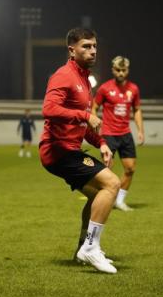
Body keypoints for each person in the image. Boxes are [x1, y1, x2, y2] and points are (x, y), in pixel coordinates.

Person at [39, 28, 120, 274]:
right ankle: (91, 248)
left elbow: (83, 125)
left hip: (69, 150)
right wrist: (84, 114)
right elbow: (48, 109)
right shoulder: (64, 75)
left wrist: (102, 143)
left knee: (99, 195)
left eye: (94, 46)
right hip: (58, 151)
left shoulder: (85, 80)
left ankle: (82, 249)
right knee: (112, 185)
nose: (92, 50)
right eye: (86, 46)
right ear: (72, 50)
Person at [92, 56, 144, 212]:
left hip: (125, 134)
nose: (121, 73)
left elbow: (137, 110)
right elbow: (94, 107)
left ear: (127, 70)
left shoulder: (133, 89)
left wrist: (140, 130)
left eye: (124, 70)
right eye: (118, 70)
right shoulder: (105, 88)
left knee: (130, 169)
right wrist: (95, 123)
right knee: (107, 171)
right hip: (109, 134)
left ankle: (119, 201)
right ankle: (100, 199)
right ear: (113, 70)